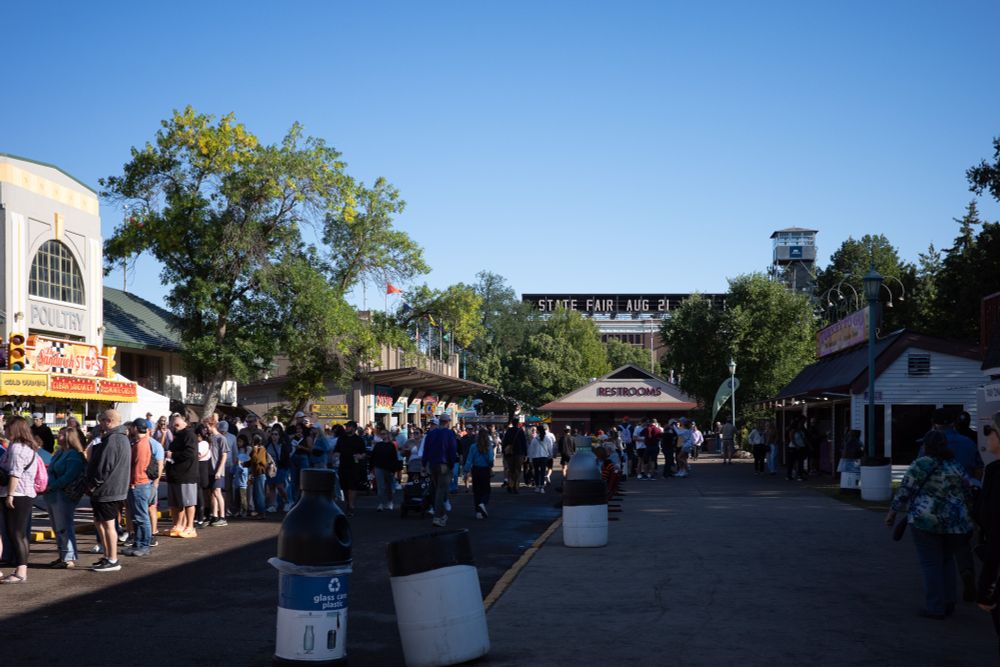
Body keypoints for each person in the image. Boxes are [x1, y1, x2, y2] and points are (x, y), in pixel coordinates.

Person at [885, 429, 975, 619]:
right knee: (947, 560)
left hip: (925, 520)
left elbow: (905, 490)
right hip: (954, 523)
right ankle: (949, 601)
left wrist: (893, 512)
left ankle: (935, 606)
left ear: (927, 446)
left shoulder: (920, 464)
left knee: (930, 563)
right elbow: (968, 490)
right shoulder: (955, 465)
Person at [84, 410, 132, 572]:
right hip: (109, 489)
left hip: (108, 490)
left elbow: (104, 467)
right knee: (102, 524)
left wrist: (92, 485)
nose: (100, 424)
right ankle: (107, 557)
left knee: (109, 525)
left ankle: (112, 559)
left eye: (102, 420)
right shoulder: (119, 438)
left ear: (109, 421)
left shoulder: (114, 439)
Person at [0, 417, 42, 582]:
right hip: (23, 493)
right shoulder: (26, 447)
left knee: (16, 534)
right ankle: (21, 571)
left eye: (7, 427)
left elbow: (15, 473)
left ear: (15, 429)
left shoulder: (17, 448)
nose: (5, 430)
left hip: (17, 494)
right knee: (19, 534)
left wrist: (10, 494)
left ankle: (21, 572)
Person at [975, 411, 1000, 656]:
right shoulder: (992, 470)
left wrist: (986, 586)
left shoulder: (996, 473)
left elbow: (996, 531)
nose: (985, 436)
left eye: (989, 430)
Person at [43, 427, 86, 568]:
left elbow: (69, 476)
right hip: (52, 494)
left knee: (64, 526)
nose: (58, 436)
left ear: (69, 437)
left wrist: (52, 485)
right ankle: (62, 555)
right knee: (57, 527)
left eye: (61, 434)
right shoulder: (60, 452)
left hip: (63, 495)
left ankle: (68, 558)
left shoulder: (73, 455)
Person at [121, 418, 154, 557]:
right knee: (137, 517)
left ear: (135, 428)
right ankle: (138, 544)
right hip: (139, 483)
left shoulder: (141, 445)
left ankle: (144, 545)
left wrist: (133, 482)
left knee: (141, 517)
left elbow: (138, 467)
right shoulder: (141, 442)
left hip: (139, 484)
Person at [166, 413, 199, 538]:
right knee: (176, 503)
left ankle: (190, 526)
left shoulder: (189, 435)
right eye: (173, 424)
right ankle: (178, 525)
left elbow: (190, 453)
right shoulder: (177, 436)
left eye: (177, 424)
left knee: (188, 502)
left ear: (185, 422)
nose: (174, 427)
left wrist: (172, 455)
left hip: (187, 475)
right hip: (175, 475)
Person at [422, 413, 458, 527]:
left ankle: (441, 515)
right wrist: (452, 464)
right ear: (447, 422)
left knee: (436, 489)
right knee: (441, 491)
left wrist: (424, 464)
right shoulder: (449, 433)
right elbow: (452, 450)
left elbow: (425, 450)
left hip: (433, 465)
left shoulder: (431, 434)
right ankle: (438, 517)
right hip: (444, 465)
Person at [337, 422, 367, 516]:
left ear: (353, 428)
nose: (346, 428)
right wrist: (335, 457)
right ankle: (348, 503)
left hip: (354, 466)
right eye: (346, 427)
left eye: (348, 427)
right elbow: (336, 450)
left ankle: (351, 506)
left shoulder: (359, 440)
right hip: (343, 465)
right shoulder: (341, 439)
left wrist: (360, 456)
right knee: (345, 487)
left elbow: (364, 453)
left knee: (352, 487)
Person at [463, 428, 494, 519]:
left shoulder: (473, 446)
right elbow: (490, 460)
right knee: (486, 490)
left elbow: (469, 460)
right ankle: (483, 503)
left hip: (475, 470)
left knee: (476, 491)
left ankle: (478, 512)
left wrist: (466, 470)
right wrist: (490, 465)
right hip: (485, 470)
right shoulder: (488, 446)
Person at [371, 427, 400, 512]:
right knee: (380, 486)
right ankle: (381, 503)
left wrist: (394, 470)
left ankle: (390, 501)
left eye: (384, 434)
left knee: (389, 486)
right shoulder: (378, 445)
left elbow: (394, 458)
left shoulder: (391, 445)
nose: (382, 435)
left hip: (389, 468)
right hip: (378, 467)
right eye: (381, 434)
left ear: (387, 435)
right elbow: (373, 456)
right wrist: (371, 468)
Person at [265, 427, 290, 512]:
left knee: (280, 486)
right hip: (270, 468)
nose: (274, 436)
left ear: (279, 436)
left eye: (276, 434)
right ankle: (273, 505)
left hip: (280, 467)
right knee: (271, 486)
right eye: (272, 434)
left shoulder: (283, 445)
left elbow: (286, 457)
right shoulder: (268, 444)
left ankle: (287, 502)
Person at [501, 419, 527, 493]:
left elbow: (504, 442)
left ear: (512, 423)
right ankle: (516, 486)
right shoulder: (520, 431)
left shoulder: (508, 431)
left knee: (510, 470)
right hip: (519, 454)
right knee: (517, 471)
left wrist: (504, 452)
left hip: (510, 454)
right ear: (518, 423)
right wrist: (525, 454)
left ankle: (510, 484)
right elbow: (524, 443)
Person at [528, 424, 555, 493]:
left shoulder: (534, 439)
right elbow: (550, 448)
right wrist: (551, 456)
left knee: (536, 472)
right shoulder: (547, 439)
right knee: (543, 472)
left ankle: (537, 487)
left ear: (537, 431)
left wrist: (530, 459)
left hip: (535, 458)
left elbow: (531, 450)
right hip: (544, 457)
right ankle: (542, 487)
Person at [248, 434, 269, 517]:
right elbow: (251, 461)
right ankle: (258, 511)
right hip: (255, 474)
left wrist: (255, 450)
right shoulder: (255, 449)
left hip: (260, 473)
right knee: (255, 493)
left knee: (260, 494)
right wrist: (244, 463)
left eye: (253, 440)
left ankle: (262, 512)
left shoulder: (262, 449)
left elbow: (256, 460)